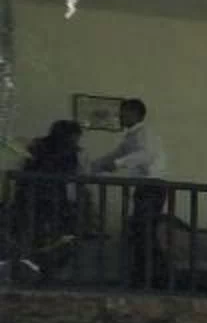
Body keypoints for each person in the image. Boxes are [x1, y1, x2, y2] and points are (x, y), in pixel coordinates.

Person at [88, 98, 167, 286]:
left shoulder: (145, 133)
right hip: (145, 187)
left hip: (152, 187)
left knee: (145, 233)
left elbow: (145, 155)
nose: (120, 116)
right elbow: (116, 155)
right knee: (141, 232)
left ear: (137, 114)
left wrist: (116, 164)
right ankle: (146, 278)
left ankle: (155, 279)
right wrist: (93, 167)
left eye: (125, 112)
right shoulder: (131, 136)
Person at [8, 120, 82, 279]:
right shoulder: (68, 153)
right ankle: (45, 274)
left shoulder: (36, 147)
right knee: (57, 240)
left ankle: (28, 274)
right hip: (52, 202)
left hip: (30, 200)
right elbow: (70, 180)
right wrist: (73, 203)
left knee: (31, 239)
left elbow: (22, 169)